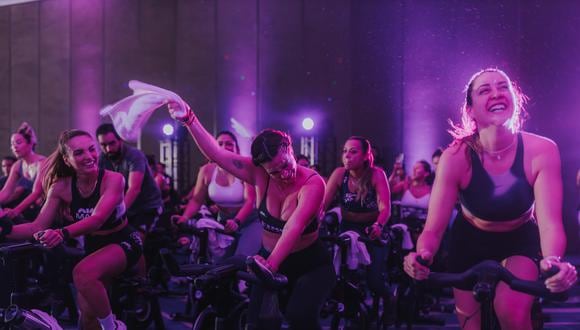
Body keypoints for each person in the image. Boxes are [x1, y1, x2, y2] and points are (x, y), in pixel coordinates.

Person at [403, 68, 577, 330]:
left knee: (511, 314)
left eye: (503, 87)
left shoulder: (542, 150)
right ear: (471, 109)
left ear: (514, 98)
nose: (496, 93)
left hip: (519, 239)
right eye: (485, 90)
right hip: (469, 241)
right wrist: (422, 255)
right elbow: (433, 229)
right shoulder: (455, 157)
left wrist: (552, 261)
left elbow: (550, 223)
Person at [166, 102, 336, 329]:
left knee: (299, 318)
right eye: (274, 171)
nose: (283, 174)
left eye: (285, 164)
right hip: (269, 258)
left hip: (310, 265)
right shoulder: (258, 174)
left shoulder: (313, 183)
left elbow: (293, 227)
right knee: (256, 323)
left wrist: (270, 265)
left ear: (290, 148)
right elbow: (216, 154)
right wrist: (189, 119)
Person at [0, 129, 142, 330]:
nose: (89, 156)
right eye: (79, 153)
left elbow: (97, 219)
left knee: (81, 273)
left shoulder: (114, 179)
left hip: (123, 241)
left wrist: (61, 233)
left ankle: (113, 328)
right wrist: (6, 231)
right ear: (66, 160)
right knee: (87, 319)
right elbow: (37, 226)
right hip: (94, 246)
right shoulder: (60, 187)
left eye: (92, 149)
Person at [173, 131, 262, 259]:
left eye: (229, 144)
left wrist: (236, 221)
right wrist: (185, 217)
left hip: (249, 222)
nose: (224, 146)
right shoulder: (206, 171)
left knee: (241, 259)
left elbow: (250, 201)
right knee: (219, 264)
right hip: (223, 223)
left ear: (236, 148)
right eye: (219, 143)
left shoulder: (243, 168)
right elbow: (197, 200)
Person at [323, 136, 392, 299]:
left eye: (353, 152)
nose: (347, 155)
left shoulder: (377, 174)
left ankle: (391, 302)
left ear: (365, 156)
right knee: (339, 276)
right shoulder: (339, 174)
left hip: (372, 230)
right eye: (345, 151)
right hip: (348, 229)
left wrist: (378, 226)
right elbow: (322, 205)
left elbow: (385, 208)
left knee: (374, 280)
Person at [96, 123, 163, 234]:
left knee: (137, 240)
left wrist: (118, 213)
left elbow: (134, 189)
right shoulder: (102, 158)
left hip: (147, 207)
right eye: (103, 145)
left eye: (112, 143)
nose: (108, 149)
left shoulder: (134, 155)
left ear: (120, 140)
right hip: (126, 209)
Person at [0, 122, 46, 220]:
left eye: (18, 142)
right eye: (12, 144)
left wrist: (16, 211)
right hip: (34, 209)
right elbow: (5, 192)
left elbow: (36, 192)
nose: (14, 147)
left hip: (50, 208)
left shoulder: (42, 162)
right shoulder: (17, 165)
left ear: (30, 143)